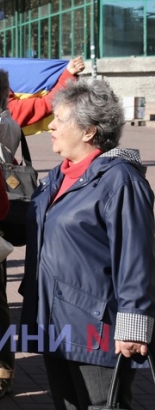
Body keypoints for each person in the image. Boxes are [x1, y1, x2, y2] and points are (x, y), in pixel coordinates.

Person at [20, 79, 155, 410]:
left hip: (96, 326)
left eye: (60, 120)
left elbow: (135, 257)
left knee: (101, 405)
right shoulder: (57, 177)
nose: (51, 126)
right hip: (52, 318)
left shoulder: (120, 180)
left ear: (89, 131)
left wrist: (134, 326)